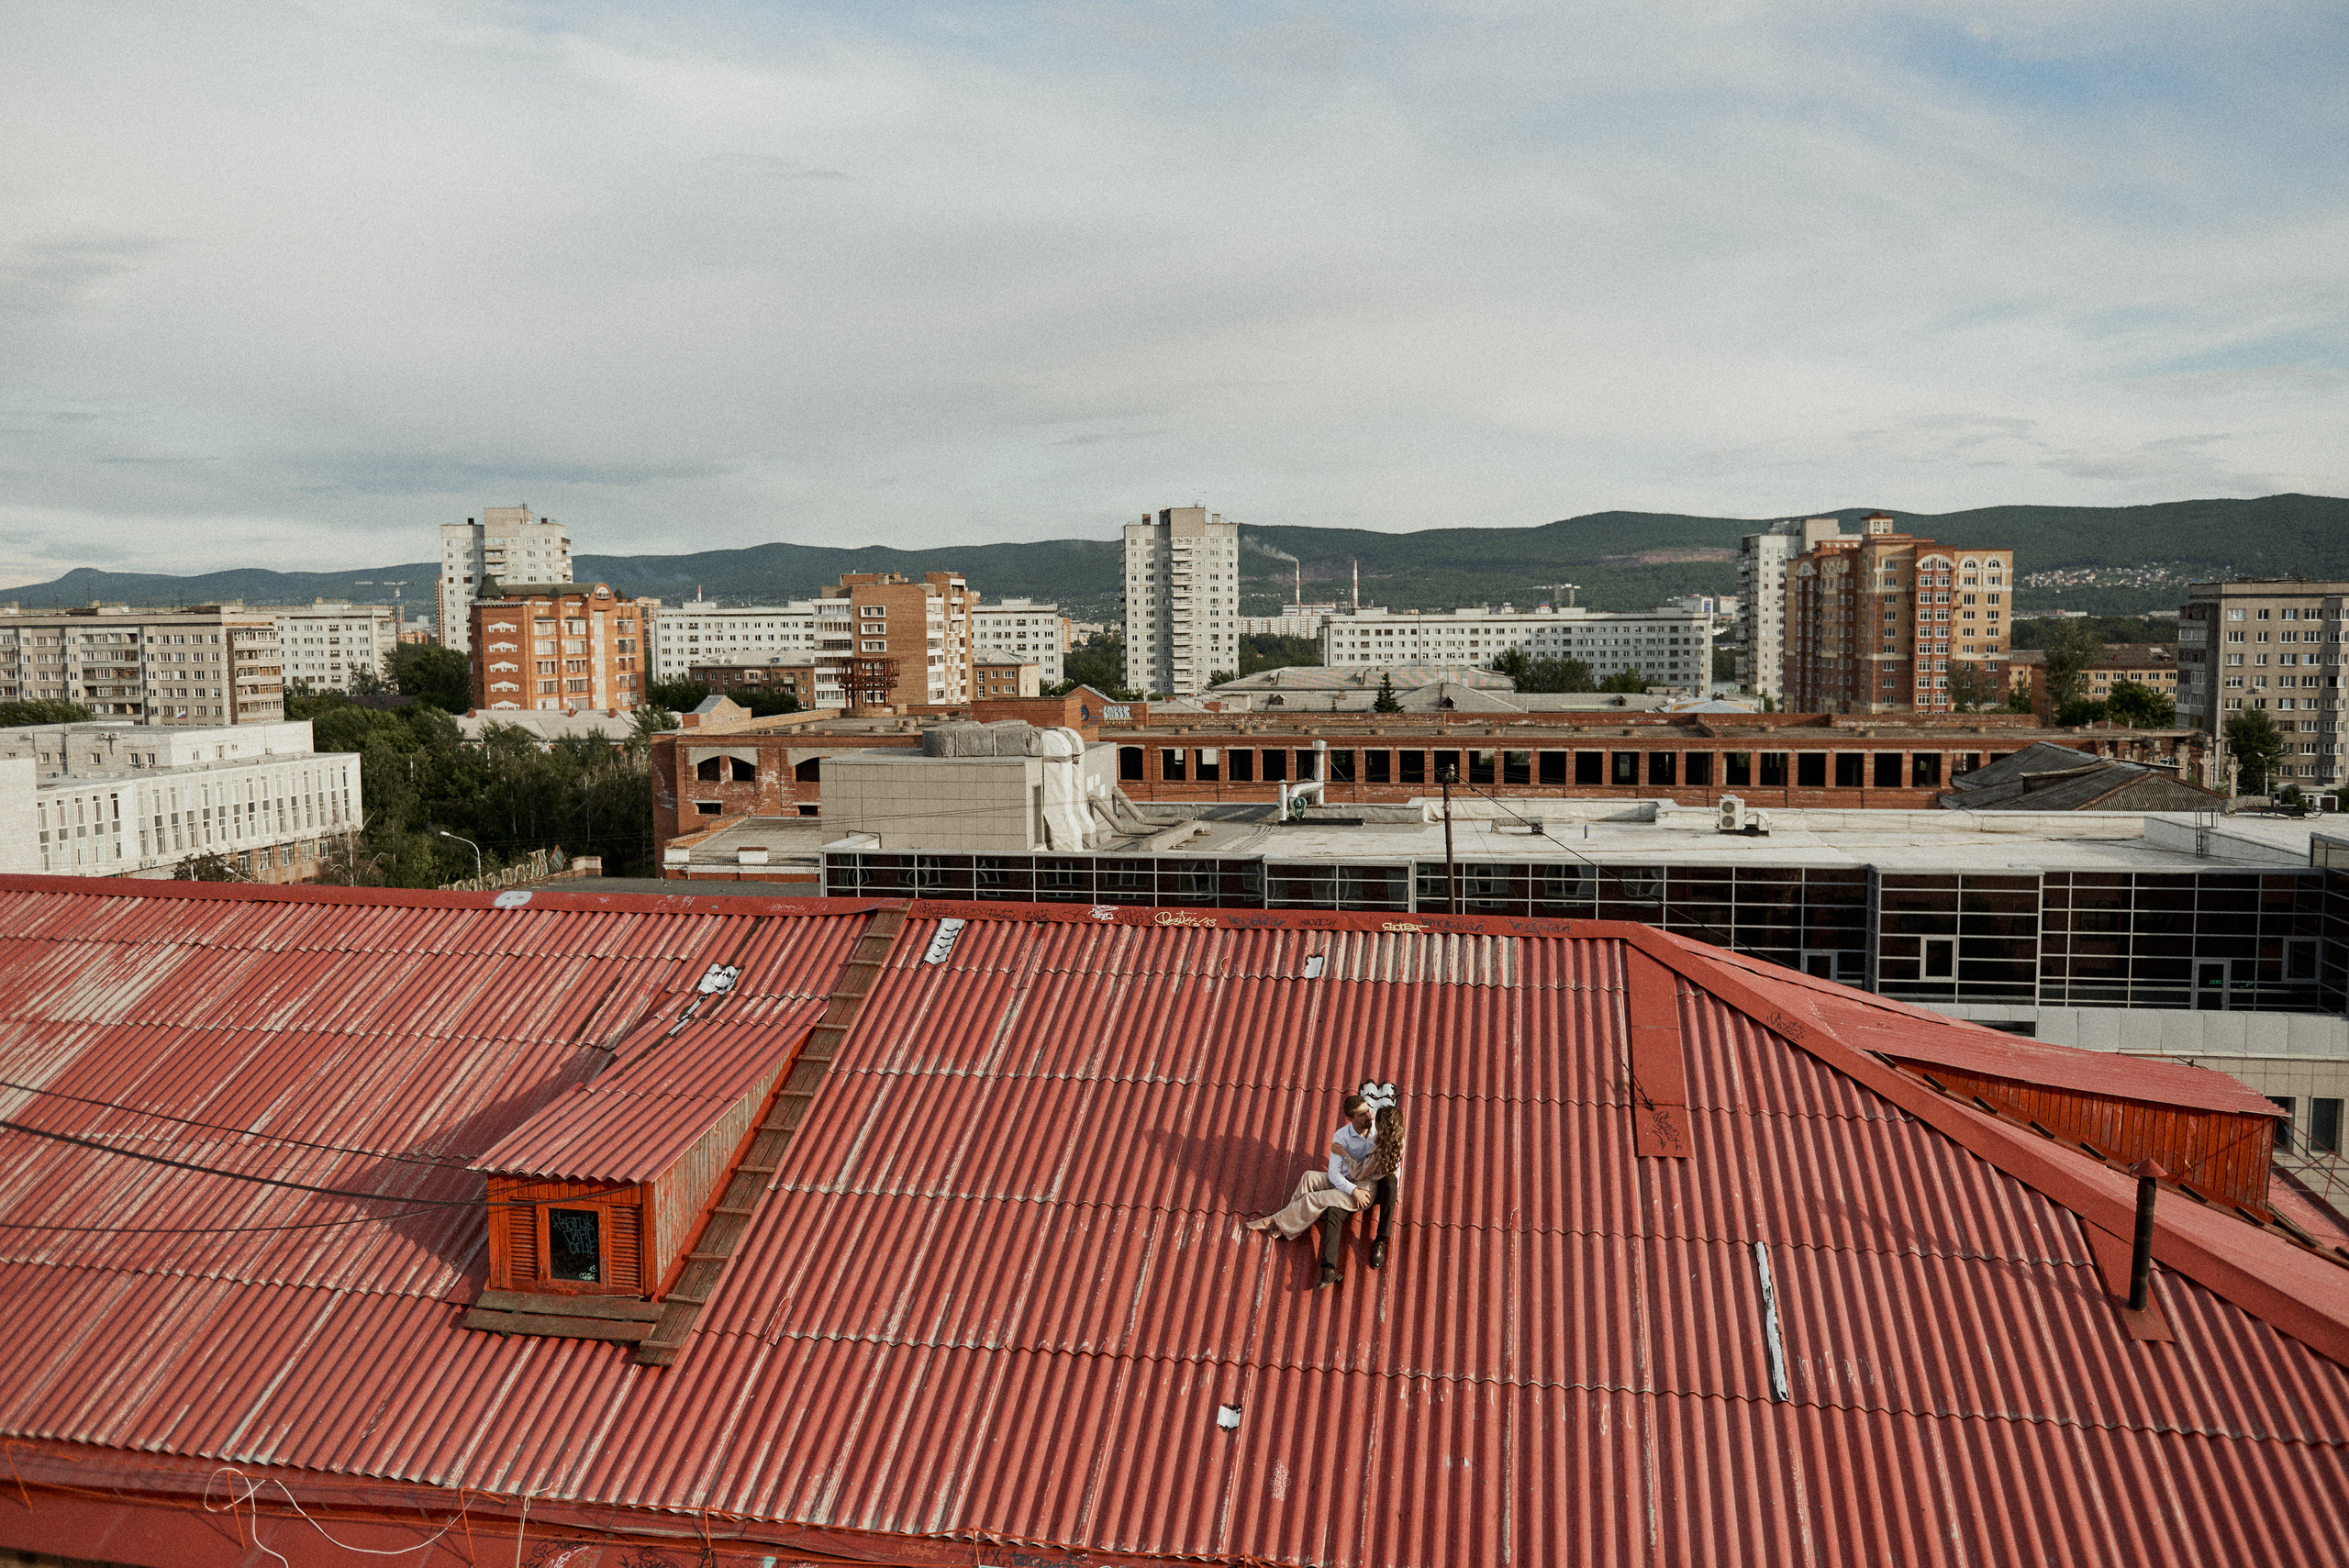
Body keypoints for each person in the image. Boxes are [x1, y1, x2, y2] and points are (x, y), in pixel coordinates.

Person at [1249, 1084, 1407, 1286]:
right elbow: (1333, 1174)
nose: (1370, 1116)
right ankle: (1288, 1220)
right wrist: (1352, 1187)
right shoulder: (1342, 1135)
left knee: (1313, 1198)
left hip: (1364, 1189)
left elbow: (1390, 1162)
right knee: (1308, 1177)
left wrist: (1349, 1162)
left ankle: (1276, 1221)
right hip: (1351, 1181)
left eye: (1369, 1110)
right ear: (1351, 1119)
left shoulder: (1378, 1132)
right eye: (1363, 1114)